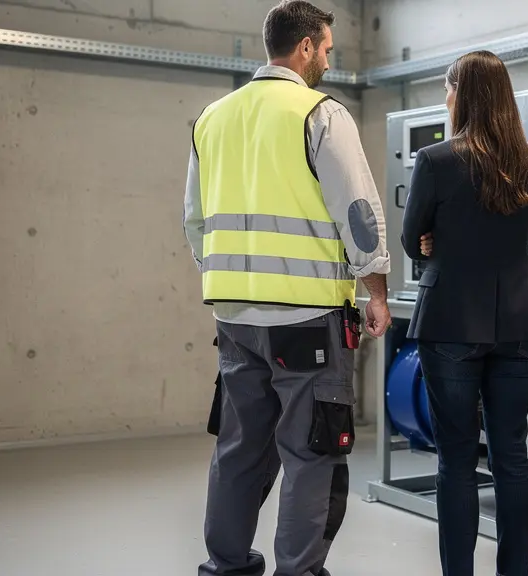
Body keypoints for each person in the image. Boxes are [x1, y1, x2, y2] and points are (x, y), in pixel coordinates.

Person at [183, 2, 391, 575]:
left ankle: (225, 564)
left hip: (233, 320)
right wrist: (375, 290)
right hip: (307, 320)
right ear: (304, 47)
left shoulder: (212, 118)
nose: (328, 59)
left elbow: (194, 221)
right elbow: (358, 214)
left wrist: (227, 278)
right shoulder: (320, 114)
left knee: (239, 447)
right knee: (311, 453)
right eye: (326, 49)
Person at [400, 50, 528, 576]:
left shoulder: (435, 161)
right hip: (519, 319)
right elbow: (523, 234)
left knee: (457, 459)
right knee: (511, 454)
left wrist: (433, 241)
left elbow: (412, 240)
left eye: (447, 89)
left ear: (459, 95)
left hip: (449, 320)